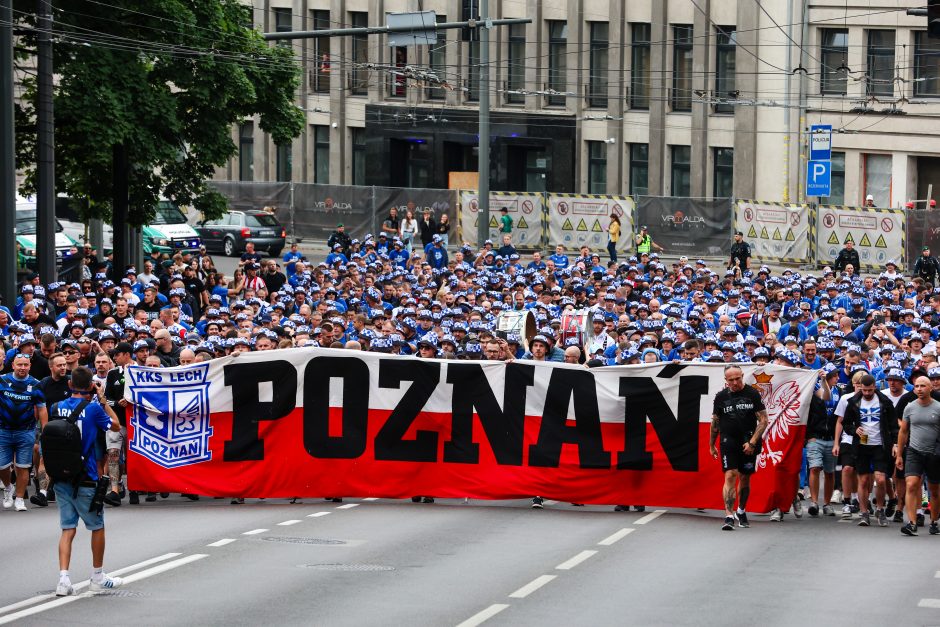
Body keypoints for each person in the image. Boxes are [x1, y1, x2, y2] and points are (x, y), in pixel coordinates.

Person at [49, 366, 122, 596]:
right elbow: (116, 425)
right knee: (97, 526)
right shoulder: (93, 410)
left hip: (61, 475)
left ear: (70, 385)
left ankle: (63, 580)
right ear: (91, 385)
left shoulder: (56, 407)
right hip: (87, 475)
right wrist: (103, 401)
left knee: (67, 528)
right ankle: (97, 576)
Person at [834, 373, 898, 527]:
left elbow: (893, 425)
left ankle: (880, 509)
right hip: (861, 445)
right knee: (862, 480)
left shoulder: (884, 401)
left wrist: (895, 443)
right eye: (864, 390)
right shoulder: (854, 402)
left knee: (881, 479)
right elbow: (846, 423)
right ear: (860, 388)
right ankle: (864, 513)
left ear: (875, 387)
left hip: (880, 445)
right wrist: (855, 429)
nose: (867, 393)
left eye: (870, 390)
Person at [710, 365, 768, 531]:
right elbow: (715, 422)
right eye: (731, 380)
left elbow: (763, 420)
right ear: (726, 381)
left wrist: (752, 442)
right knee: (730, 475)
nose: (735, 382)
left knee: (744, 477)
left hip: (748, 441)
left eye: (738, 378)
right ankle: (728, 516)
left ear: (742, 376)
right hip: (728, 441)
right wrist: (711, 444)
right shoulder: (720, 397)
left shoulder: (752, 394)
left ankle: (741, 510)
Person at [0, 353, 48, 511]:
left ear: (30, 366)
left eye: (25, 365)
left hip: (25, 432)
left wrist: (45, 430)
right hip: (3, 431)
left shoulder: (36, 384)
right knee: (2, 466)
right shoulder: (3, 380)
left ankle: (19, 499)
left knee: (22, 466)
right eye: (19, 364)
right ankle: (8, 488)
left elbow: (41, 409)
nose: (22, 368)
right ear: (13, 365)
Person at [896, 375, 940, 536]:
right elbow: (903, 431)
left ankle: (934, 521)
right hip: (914, 451)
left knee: (934, 490)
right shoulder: (909, 407)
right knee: (911, 484)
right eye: (917, 386)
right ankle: (912, 523)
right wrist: (899, 454)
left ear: (930, 388)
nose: (919, 389)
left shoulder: (938, 407)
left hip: (933, 453)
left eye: (923, 386)